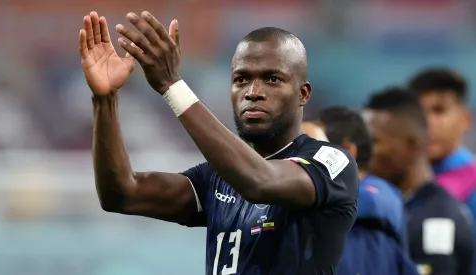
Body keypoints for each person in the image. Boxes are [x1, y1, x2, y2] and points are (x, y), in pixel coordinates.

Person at [79, 11, 359, 275]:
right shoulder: (216, 177)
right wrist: (105, 100)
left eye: (273, 79)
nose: (253, 92)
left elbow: (259, 182)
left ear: (303, 93)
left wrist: (171, 86)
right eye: (241, 79)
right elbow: (122, 194)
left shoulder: (331, 164)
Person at [364, 87, 474, 275]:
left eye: (375, 141)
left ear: (412, 146)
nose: (365, 153)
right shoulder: (400, 205)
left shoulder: (437, 220)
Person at [304, 107, 417, 275]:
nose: (298, 161)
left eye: (310, 150)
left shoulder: (377, 194)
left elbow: (373, 203)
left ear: (347, 153)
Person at [407, 68, 476, 219]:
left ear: (466, 119)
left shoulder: (473, 182)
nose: (427, 122)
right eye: (419, 112)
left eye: (439, 111)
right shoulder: (398, 183)